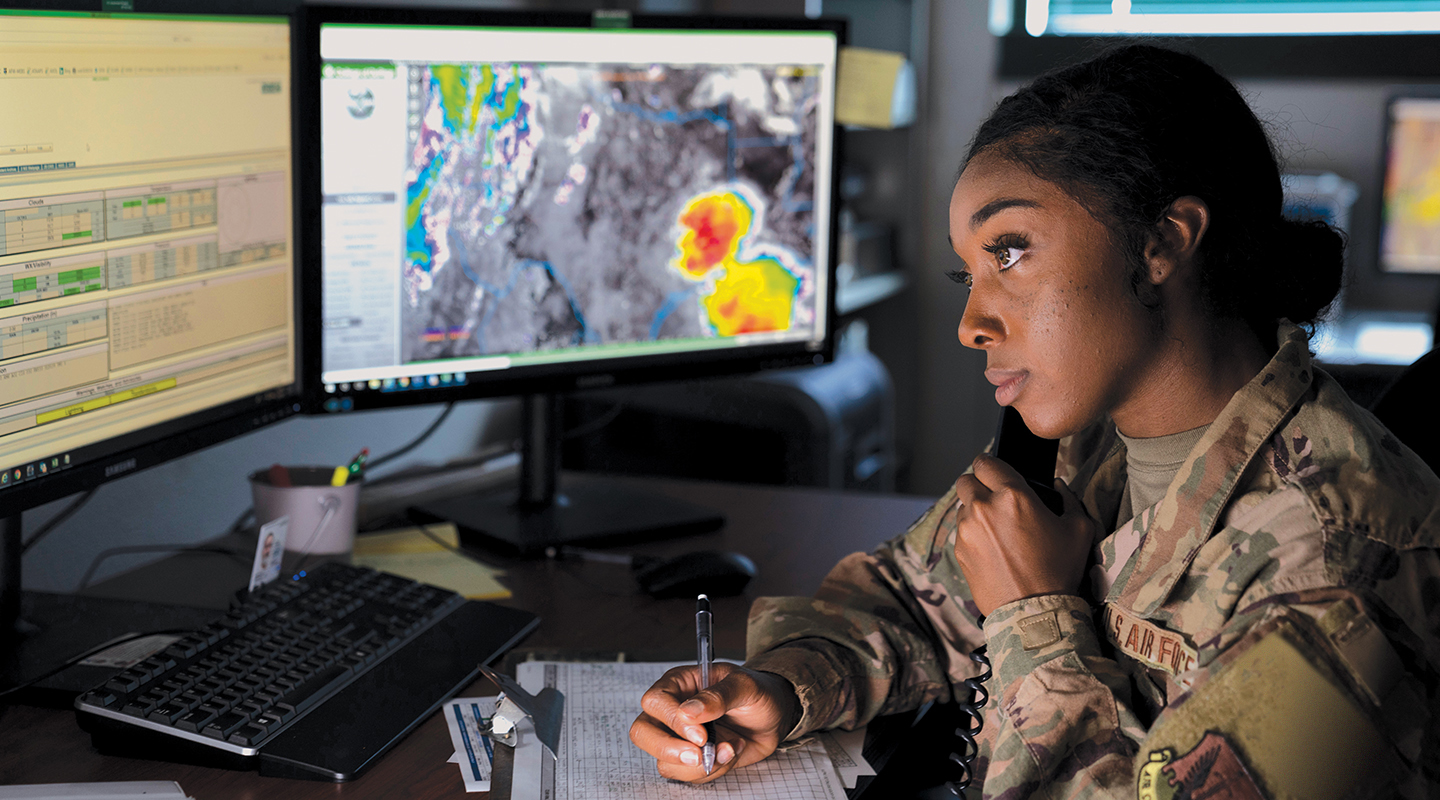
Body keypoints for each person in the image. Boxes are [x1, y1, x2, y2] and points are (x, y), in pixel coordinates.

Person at [629, 44, 1440, 797]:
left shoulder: (1335, 566)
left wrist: (1032, 613)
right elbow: (909, 599)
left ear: (1163, 243)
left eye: (1009, 251)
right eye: (969, 272)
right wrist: (780, 687)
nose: (970, 323)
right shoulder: (1083, 445)